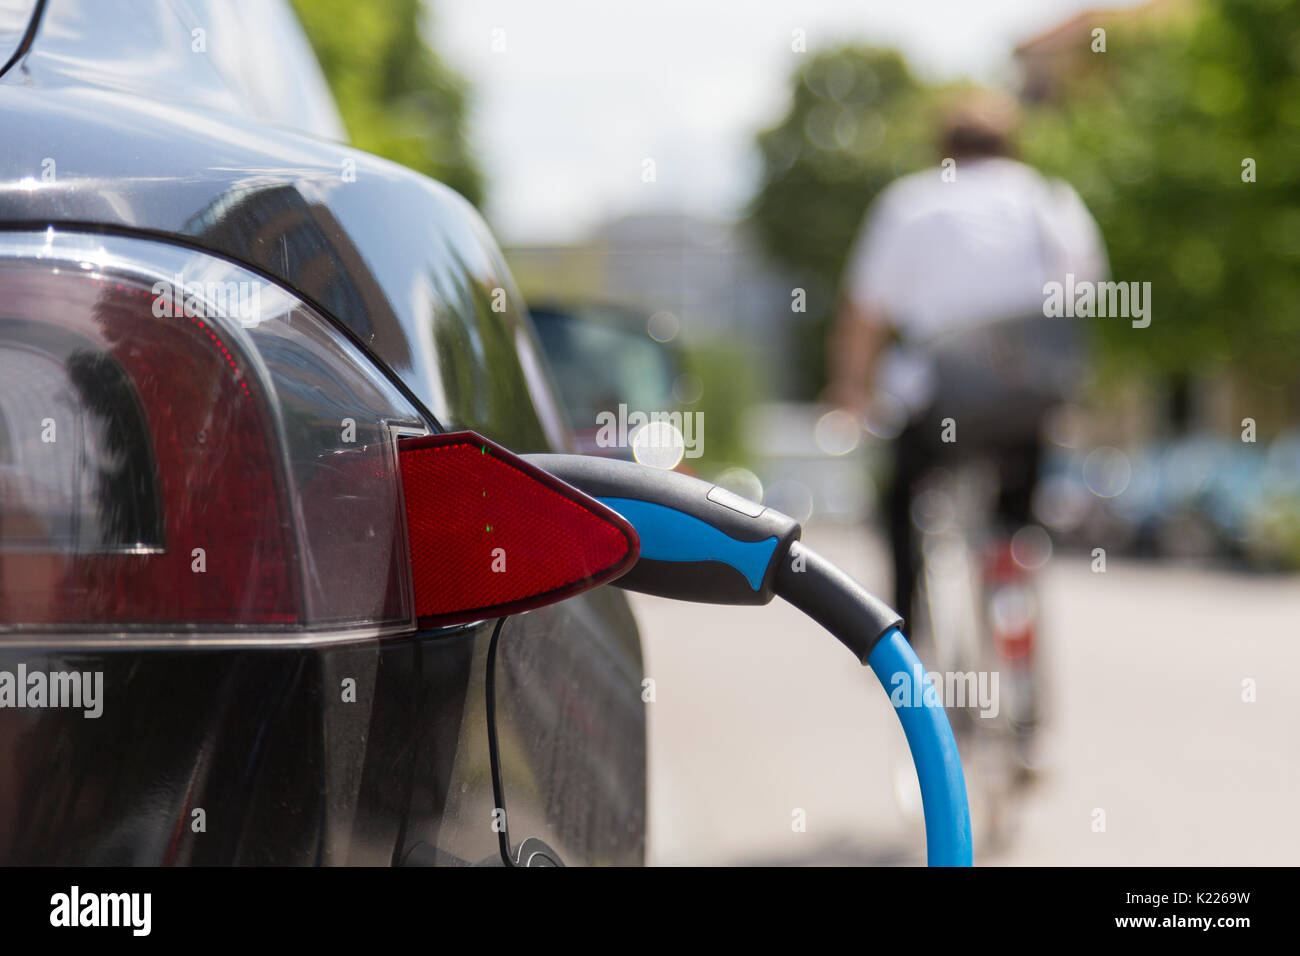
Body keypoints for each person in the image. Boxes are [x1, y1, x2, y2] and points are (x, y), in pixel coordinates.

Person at [826, 90, 1108, 628]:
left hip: (942, 396)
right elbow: (1086, 286)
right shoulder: (1048, 199)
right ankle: (1013, 578)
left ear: (943, 147)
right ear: (1013, 145)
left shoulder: (910, 202)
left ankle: (903, 630)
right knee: (1018, 501)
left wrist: (851, 388)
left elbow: (863, 312)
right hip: (1028, 391)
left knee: (903, 499)